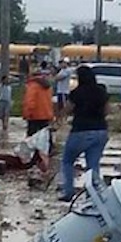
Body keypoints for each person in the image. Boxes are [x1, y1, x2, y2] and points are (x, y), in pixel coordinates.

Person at [59, 65, 108, 201]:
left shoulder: (76, 93)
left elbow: (67, 110)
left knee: (68, 161)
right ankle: (93, 196)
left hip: (80, 130)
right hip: (100, 131)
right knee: (93, 165)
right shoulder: (101, 91)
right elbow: (107, 111)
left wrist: (58, 121)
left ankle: (69, 192)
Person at [22, 69, 54, 137]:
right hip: (46, 114)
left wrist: (27, 114)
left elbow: (29, 101)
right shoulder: (47, 86)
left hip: (34, 115)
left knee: (31, 139)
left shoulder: (32, 86)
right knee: (46, 137)